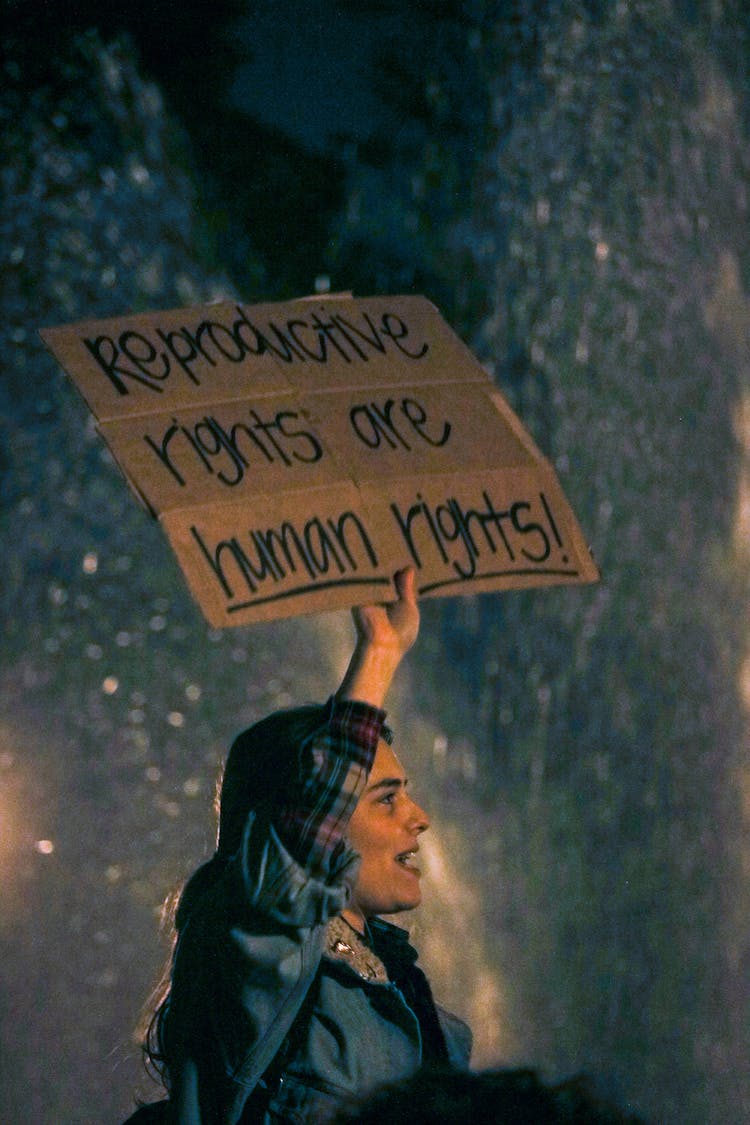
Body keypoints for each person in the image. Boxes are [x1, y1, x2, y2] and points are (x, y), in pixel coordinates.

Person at [132, 567, 471, 1124]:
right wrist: (379, 655)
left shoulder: (412, 998)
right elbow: (296, 850)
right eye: (385, 800)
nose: (420, 818)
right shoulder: (256, 967)